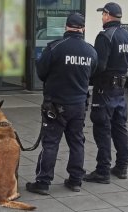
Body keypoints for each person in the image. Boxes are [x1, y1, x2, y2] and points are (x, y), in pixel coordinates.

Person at [26, 12, 97, 194]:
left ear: (66, 27)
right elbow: (92, 75)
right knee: (77, 142)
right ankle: (75, 180)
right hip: (79, 105)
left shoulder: (55, 47)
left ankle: (43, 182)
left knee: (50, 143)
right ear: (83, 28)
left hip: (55, 106)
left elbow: (41, 73)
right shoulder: (90, 50)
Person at [83, 2, 128, 184]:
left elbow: (100, 65)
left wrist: (87, 79)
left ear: (106, 15)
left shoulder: (105, 36)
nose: (102, 17)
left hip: (104, 89)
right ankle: (122, 166)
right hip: (120, 89)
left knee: (102, 129)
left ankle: (102, 170)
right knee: (119, 127)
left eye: (103, 14)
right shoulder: (127, 36)